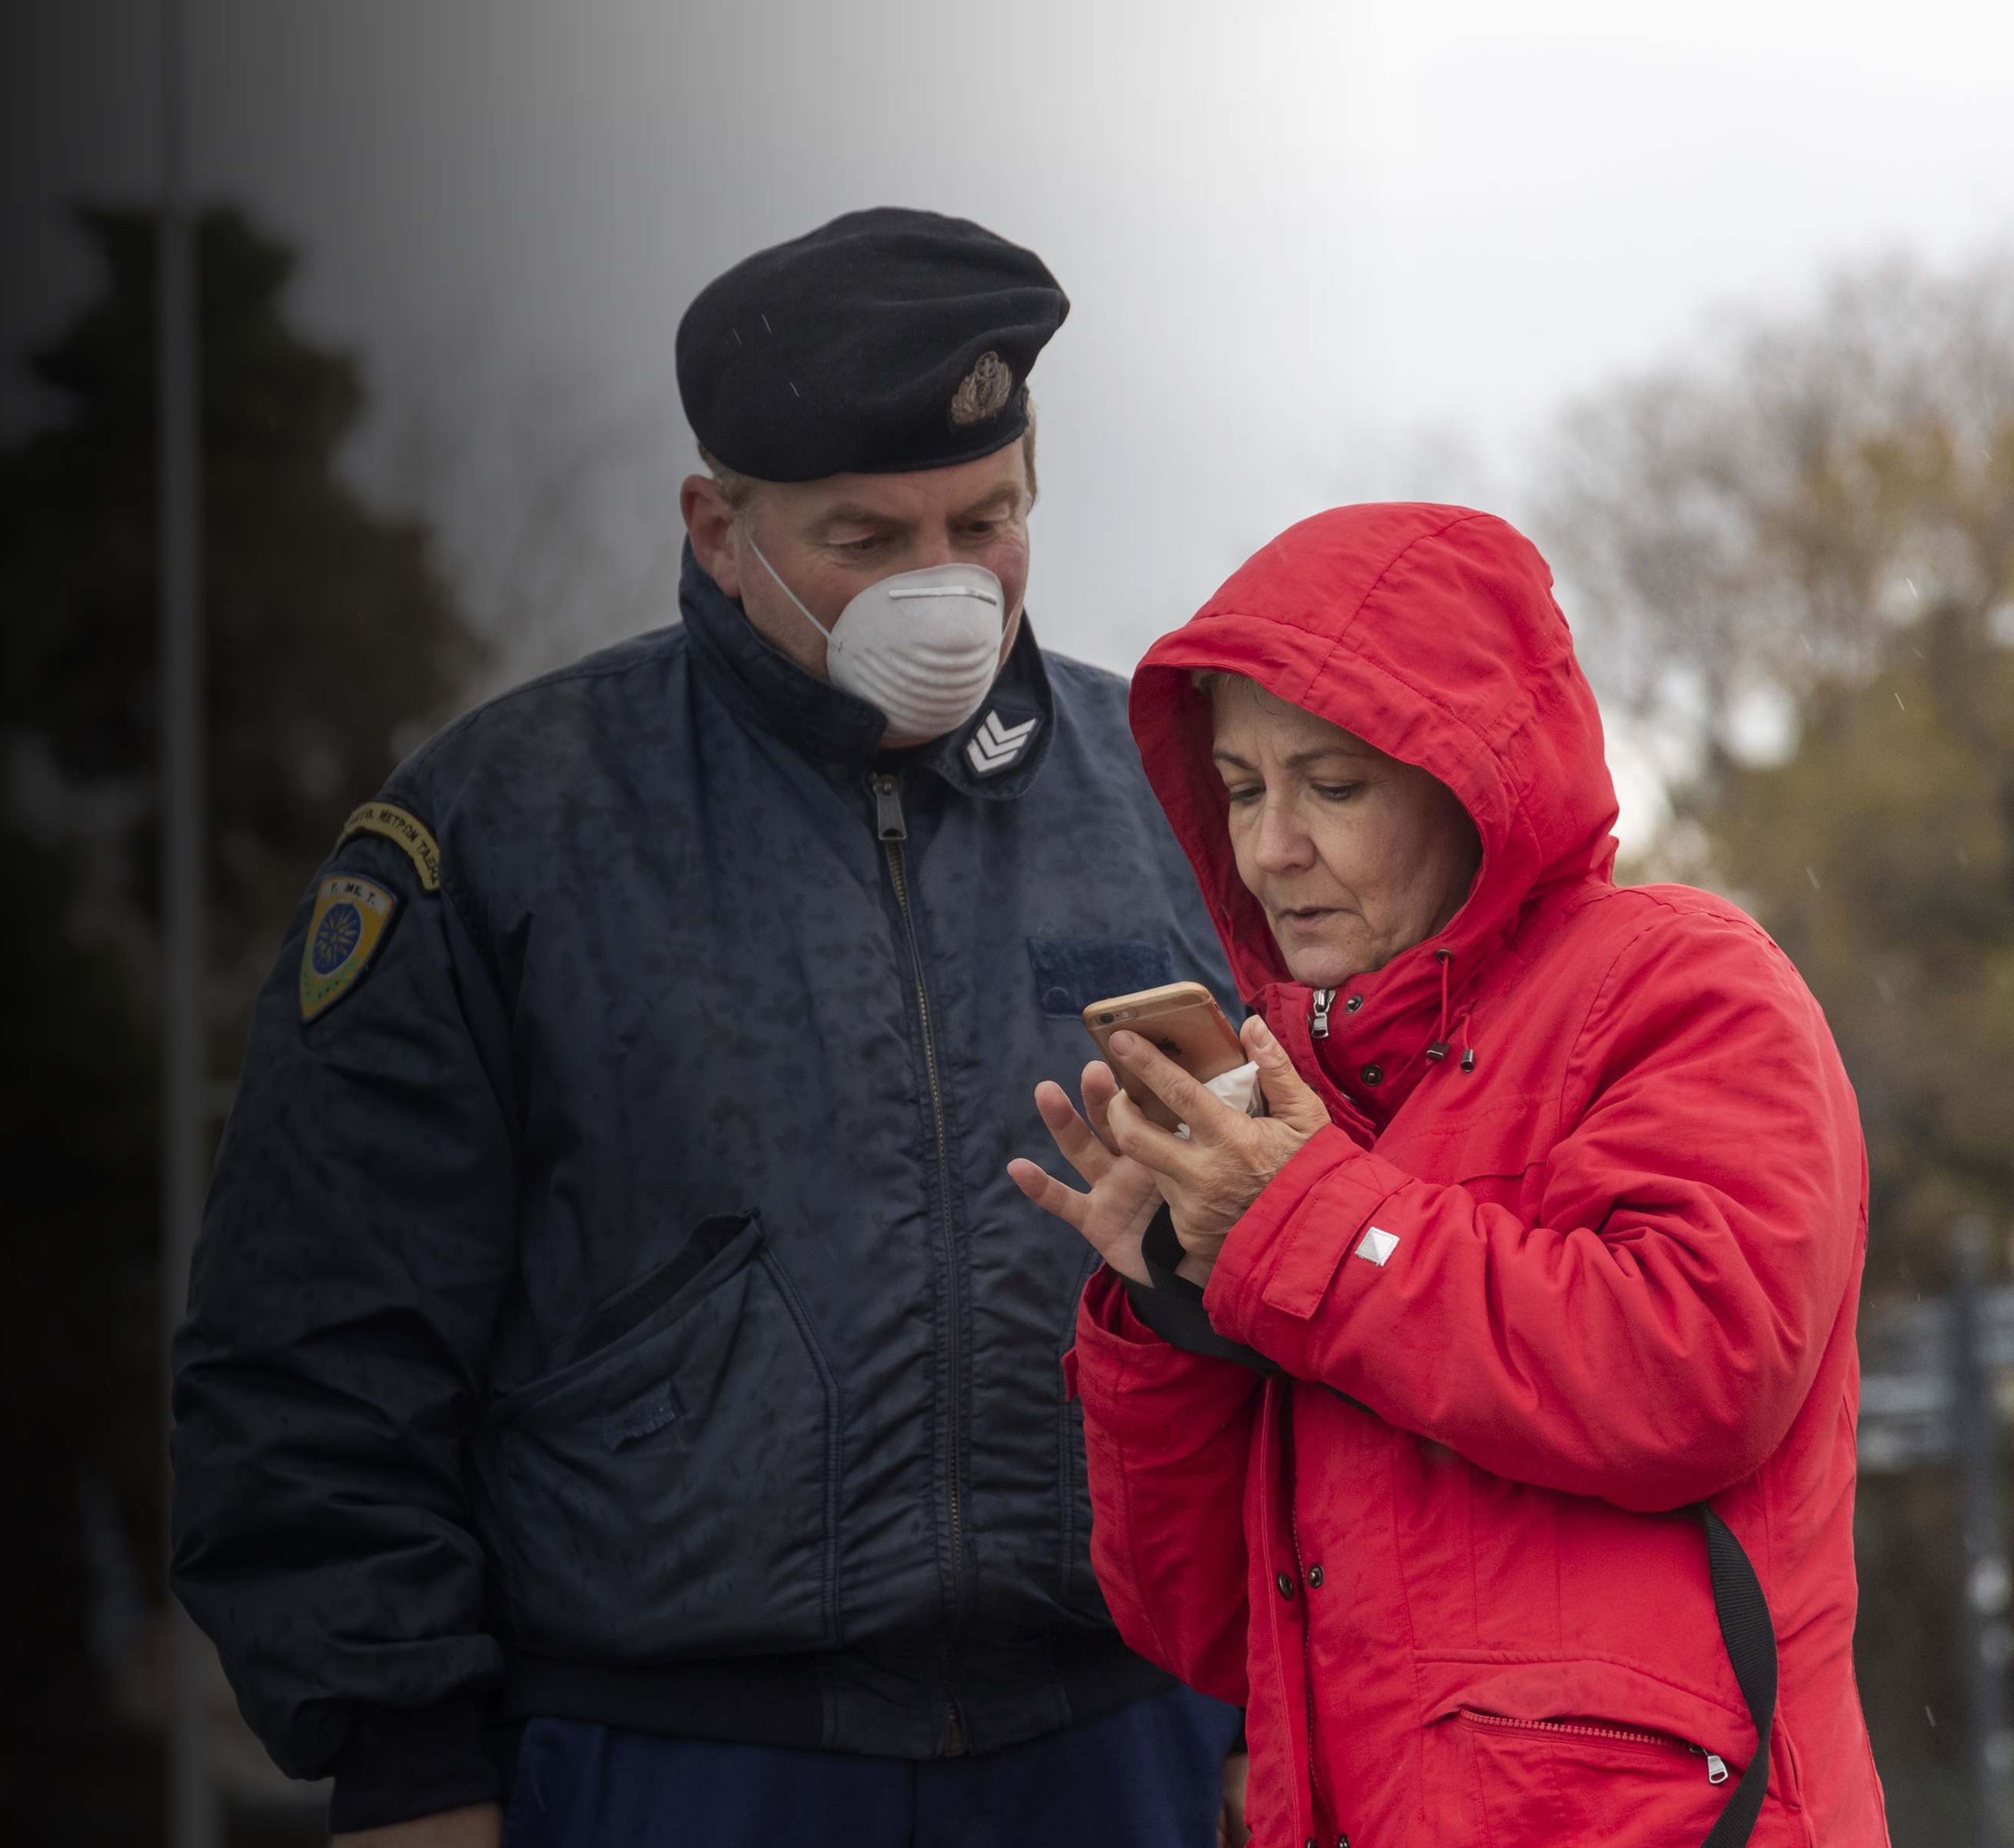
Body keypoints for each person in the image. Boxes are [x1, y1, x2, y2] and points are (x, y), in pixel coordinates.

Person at [172, 208, 1245, 1848]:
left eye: (986, 517)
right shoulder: (505, 825)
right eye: (863, 539)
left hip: (1123, 1745)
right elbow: (321, 1333)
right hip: (665, 1755)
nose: (942, 587)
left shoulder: (1182, 801)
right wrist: (398, 1761)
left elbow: (1309, 1282)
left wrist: (1282, 1697)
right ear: (716, 522)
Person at [1012, 502, 1890, 1846]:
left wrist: (1303, 1226)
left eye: (1335, 786)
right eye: (1242, 789)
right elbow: (1202, 1631)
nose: (1271, 849)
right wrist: (1180, 1307)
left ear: (1478, 782)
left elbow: (1697, 1370)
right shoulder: (1306, 1099)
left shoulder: (1681, 976)